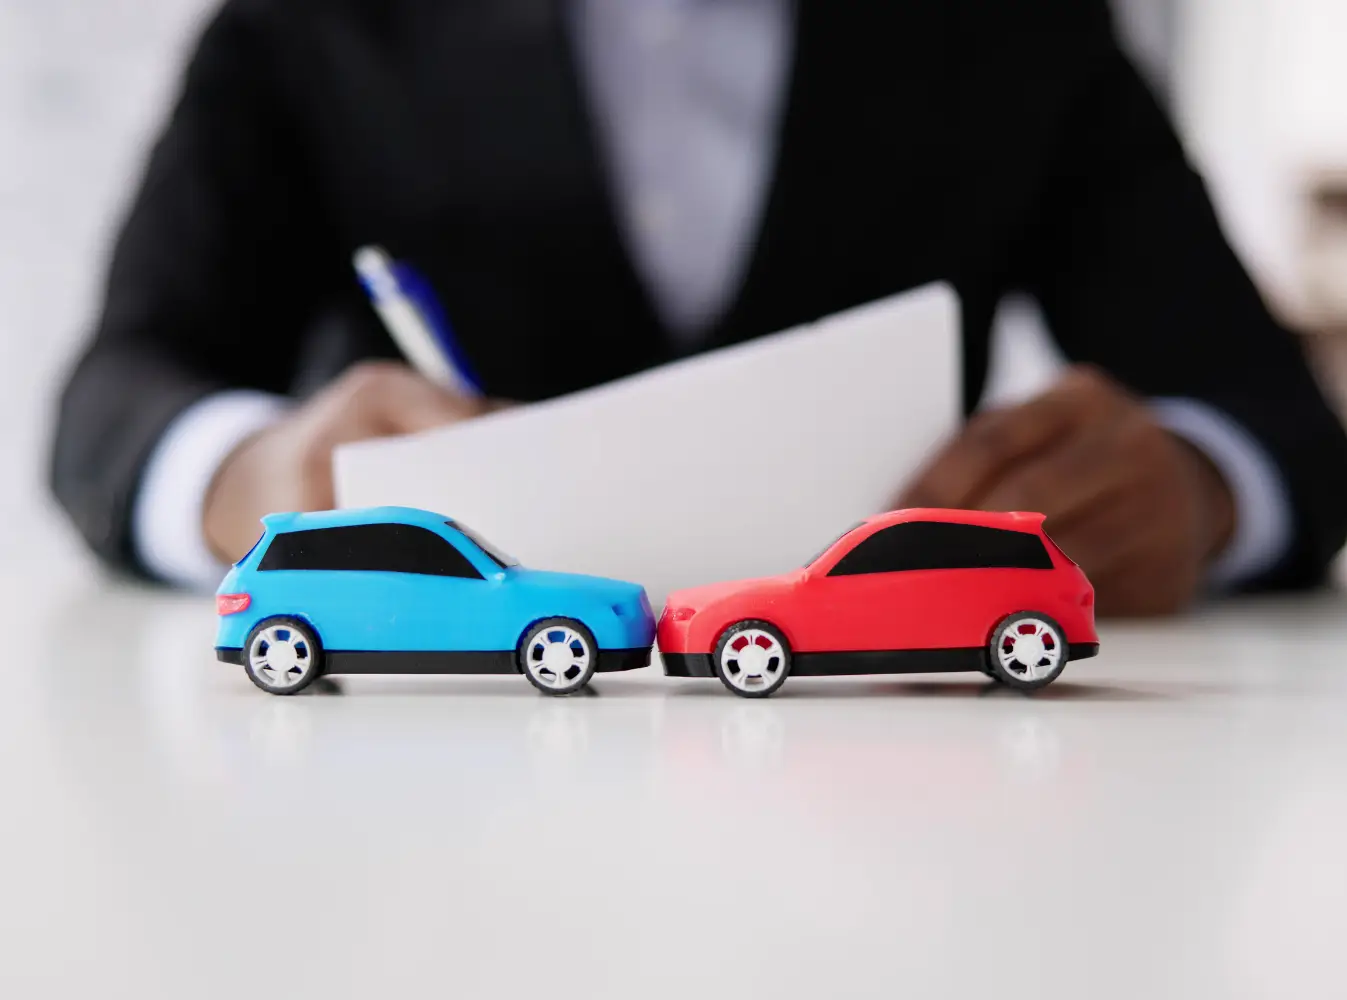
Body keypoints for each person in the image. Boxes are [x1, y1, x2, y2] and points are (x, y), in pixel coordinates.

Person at [50, 0, 1347, 616]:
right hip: (433, 753)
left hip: (898, 759)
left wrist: (1196, 487)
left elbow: (1273, 423)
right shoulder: (308, 30)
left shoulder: (1023, 33)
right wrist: (254, 471)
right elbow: (119, 395)